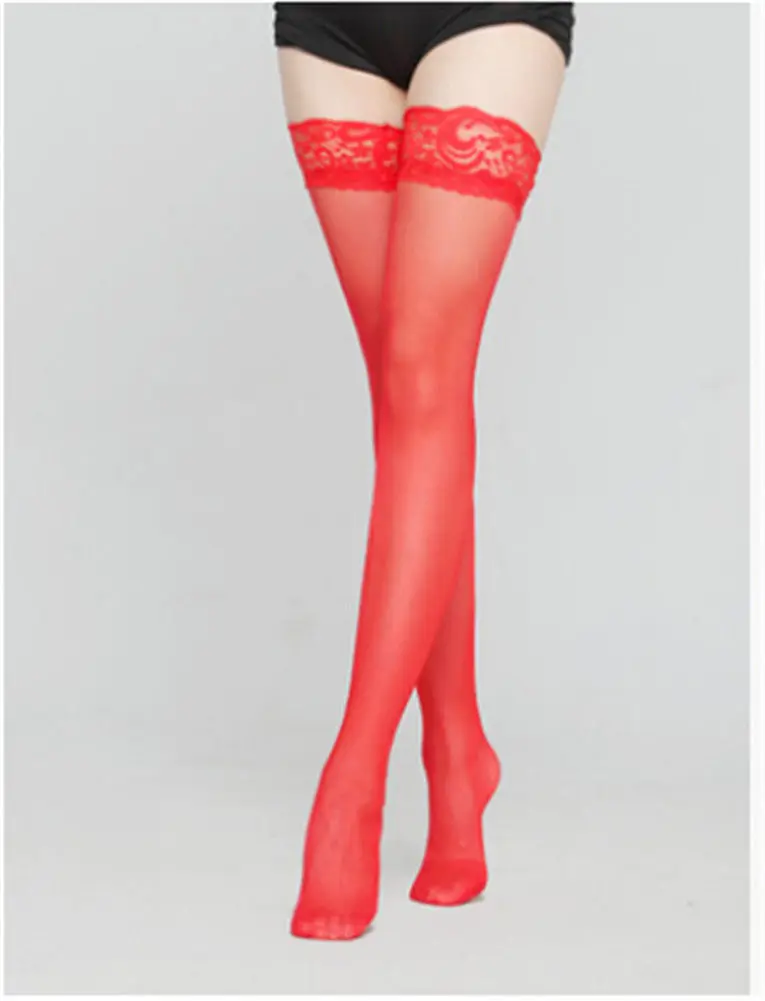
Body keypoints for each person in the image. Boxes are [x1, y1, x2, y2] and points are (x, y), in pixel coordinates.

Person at [272, 1, 575, 941]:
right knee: (408, 400)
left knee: (421, 370)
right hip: (328, 25)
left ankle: (352, 775)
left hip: (488, 15)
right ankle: (455, 752)